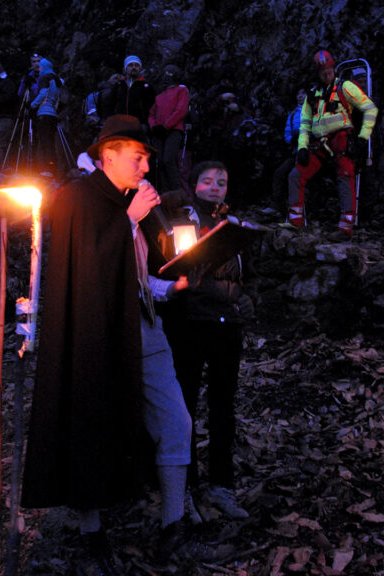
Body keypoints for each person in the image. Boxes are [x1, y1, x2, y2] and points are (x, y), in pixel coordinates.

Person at [22, 115, 227, 572]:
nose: (145, 167)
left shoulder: (129, 203)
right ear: (107, 155)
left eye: (148, 158)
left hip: (143, 328)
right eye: (137, 157)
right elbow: (86, 272)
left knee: (175, 420)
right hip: (95, 335)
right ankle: (92, 534)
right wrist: (127, 218)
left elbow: (130, 277)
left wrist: (167, 287)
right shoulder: (76, 198)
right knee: (89, 422)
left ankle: (173, 527)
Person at [160, 160, 255, 521]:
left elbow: (249, 274)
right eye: (208, 180)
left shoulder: (232, 225)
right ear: (194, 184)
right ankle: (184, 489)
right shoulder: (183, 219)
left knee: (222, 408)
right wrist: (230, 294)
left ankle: (221, 487)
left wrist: (247, 299)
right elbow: (187, 271)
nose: (216, 186)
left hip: (227, 327)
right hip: (191, 324)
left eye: (222, 181)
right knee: (184, 409)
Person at [288, 50, 378, 234]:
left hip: (341, 140)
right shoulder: (312, 96)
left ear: (334, 69)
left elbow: (370, 109)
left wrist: (363, 137)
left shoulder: (345, 87)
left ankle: (346, 226)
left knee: (345, 172)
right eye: (323, 72)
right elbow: (305, 124)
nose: (327, 74)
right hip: (319, 144)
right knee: (295, 175)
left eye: (329, 70)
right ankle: (295, 222)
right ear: (317, 73)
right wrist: (302, 148)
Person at [148, 65, 190, 190]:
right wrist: (154, 127)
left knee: (168, 160)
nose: (167, 75)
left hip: (174, 130)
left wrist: (166, 126)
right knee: (159, 162)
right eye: (166, 73)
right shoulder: (159, 95)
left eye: (171, 73)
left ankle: (178, 192)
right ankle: (166, 194)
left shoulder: (181, 90)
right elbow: (151, 114)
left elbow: (181, 110)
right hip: (159, 132)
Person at [272, 88, 307, 207]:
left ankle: (297, 209)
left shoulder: (315, 111)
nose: (300, 96)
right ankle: (277, 207)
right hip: (295, 151)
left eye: (303, 93)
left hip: (309, 152)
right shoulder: (293, 114)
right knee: (279, 173)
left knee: (296, 176)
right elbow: (287, 132)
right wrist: (291, 139)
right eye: (298, 94)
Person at [99, 55, 155, 127]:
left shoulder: (147, 87)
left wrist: (146, 124)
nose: (134, 67)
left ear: (140, 68)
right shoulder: (119, 85)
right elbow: (109, 104)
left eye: (136, 65)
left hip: (138, 125)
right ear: (125, 68)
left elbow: (152, 108)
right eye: (130, 65)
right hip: (119, 124)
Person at [30, 57, 63, 177]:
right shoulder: (57, 79)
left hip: (43, 112)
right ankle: (53, 168)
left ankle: (46, 170)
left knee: (44, 142)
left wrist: (33, 105)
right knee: (51, 142)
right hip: (52, 114)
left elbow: (43, 93)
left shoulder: (45, 77)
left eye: (40, 66)